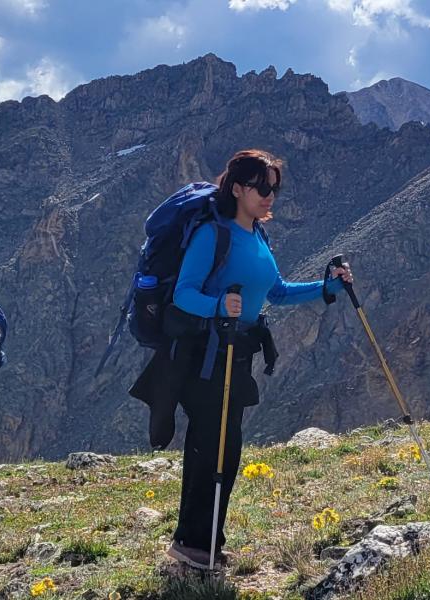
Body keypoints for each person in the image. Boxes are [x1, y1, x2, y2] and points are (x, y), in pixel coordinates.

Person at [132, 149, 350, 570]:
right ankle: (192, 543)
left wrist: (328, 288)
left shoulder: (257, 236)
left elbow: (279, 291)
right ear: (237, 188)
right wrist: (219, 306)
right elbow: (184, 294)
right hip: (206, 357)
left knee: (224, 449)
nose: (271, 196)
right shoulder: (214, 234)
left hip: (238, 353)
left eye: (275, 188)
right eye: (262, 187)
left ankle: (205, 541)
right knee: (212, 448)